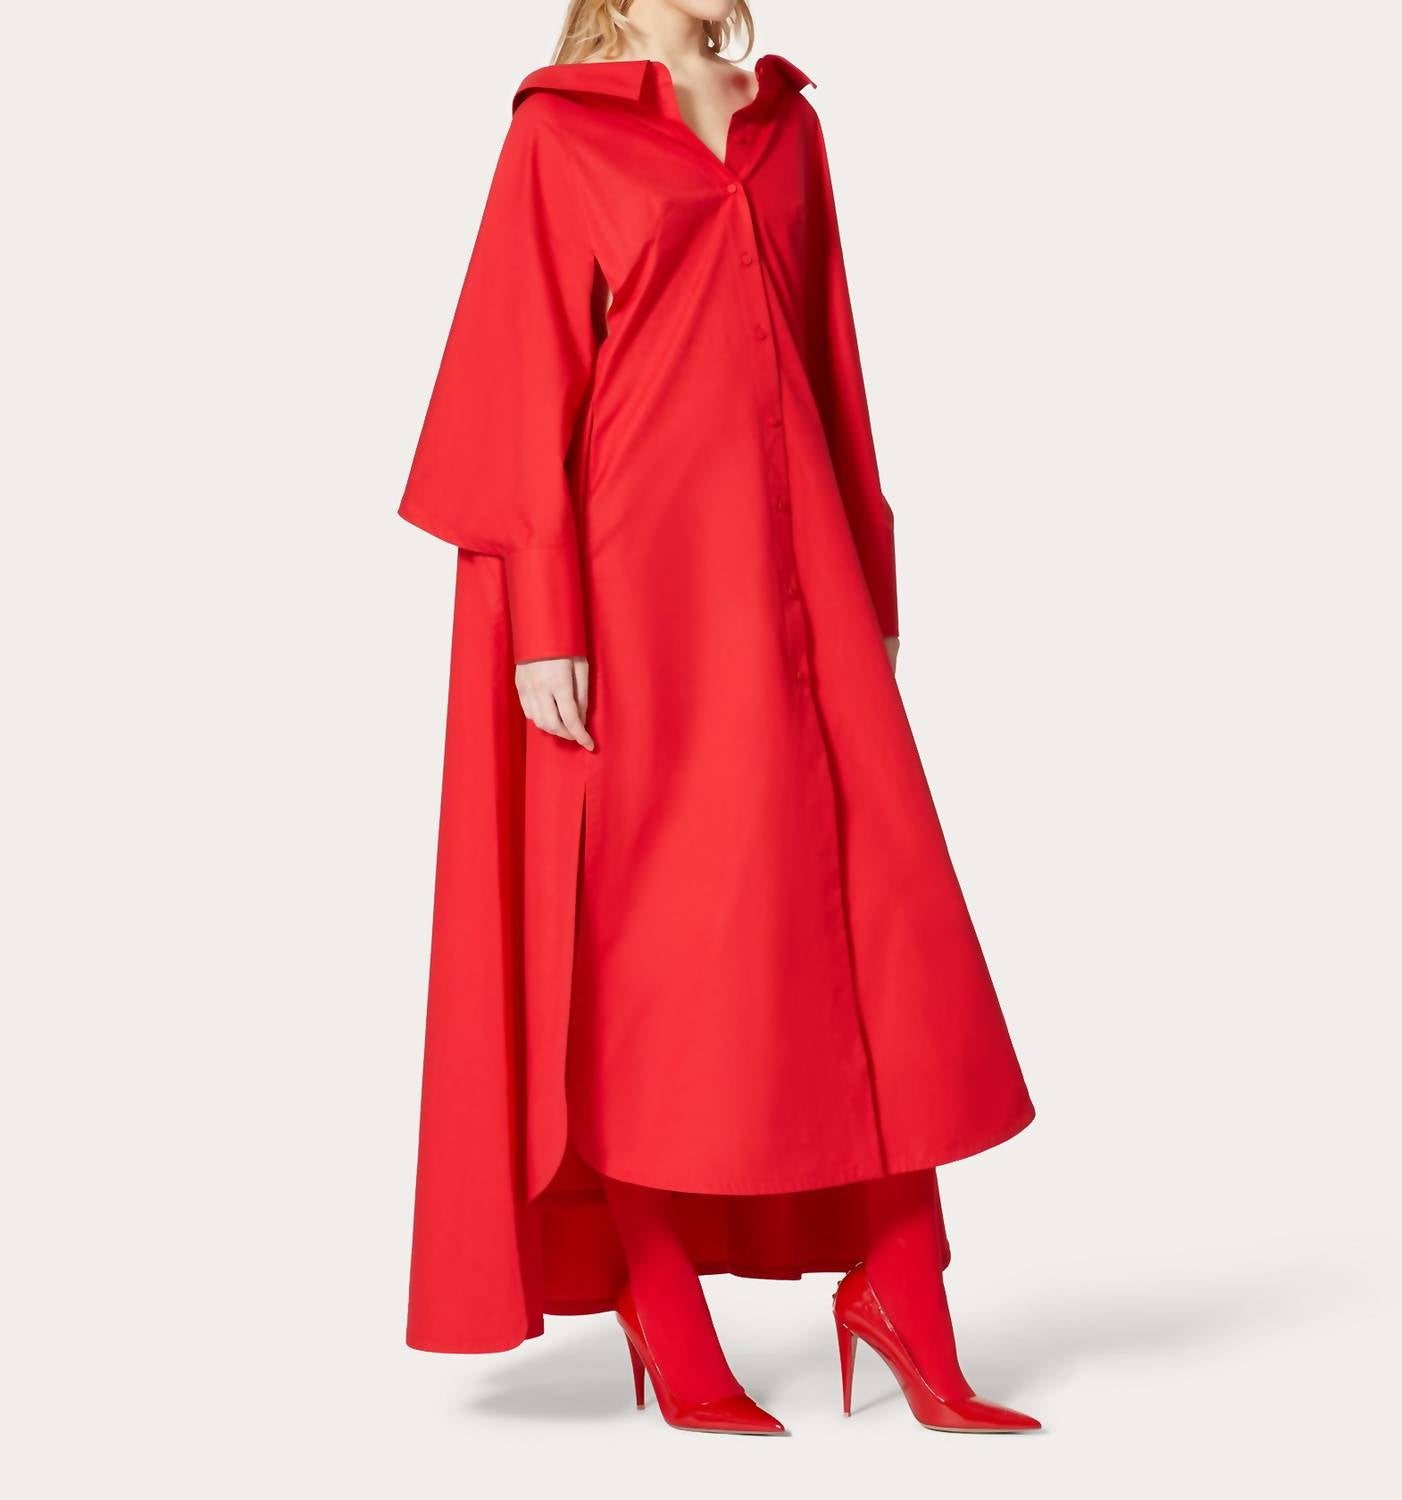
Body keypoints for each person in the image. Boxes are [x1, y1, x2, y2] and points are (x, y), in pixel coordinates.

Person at [398, 0, 1039, 1436]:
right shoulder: (561, 135)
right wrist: (545, 621)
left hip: (804, 581)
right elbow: (517, 384)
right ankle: (663, 1299)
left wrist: (868, 576)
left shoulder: (787, 124)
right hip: (639, 590)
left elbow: (831, 358)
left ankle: (904, 1288)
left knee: (878, 927)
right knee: (652, 950)